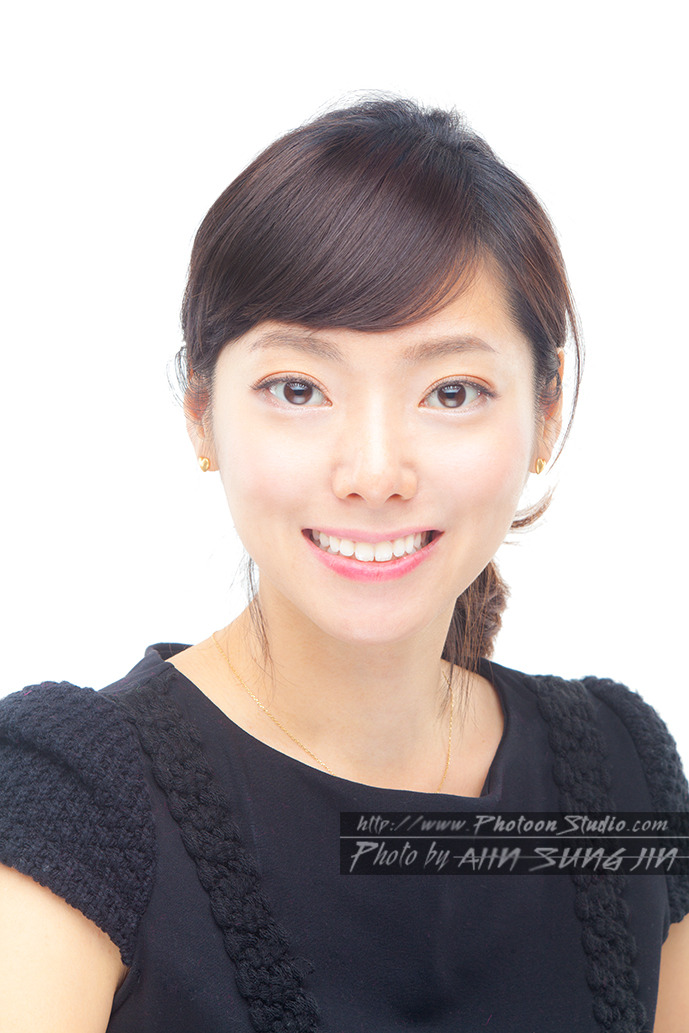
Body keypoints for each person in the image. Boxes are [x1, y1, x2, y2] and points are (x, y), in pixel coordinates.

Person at [1, 97, 688, 1033]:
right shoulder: (73, 797)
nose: (373, 472)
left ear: (547, 408)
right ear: (200, 409)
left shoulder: (617, 770)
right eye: (298, 388)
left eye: (452, 391)